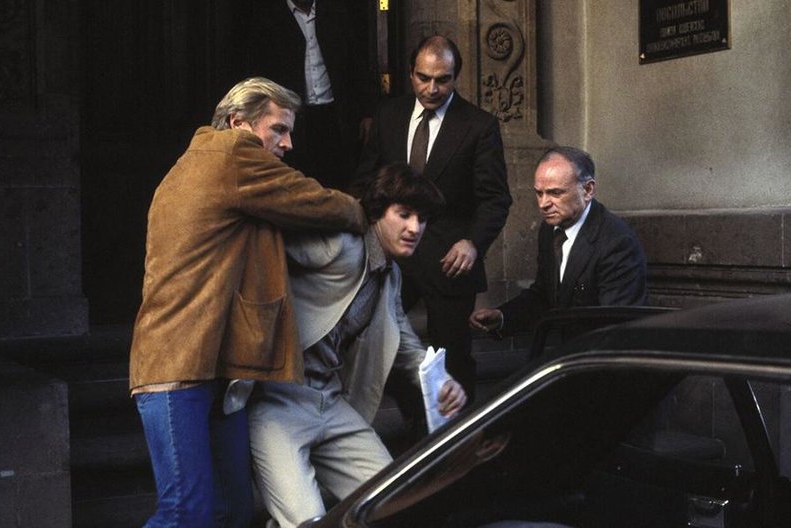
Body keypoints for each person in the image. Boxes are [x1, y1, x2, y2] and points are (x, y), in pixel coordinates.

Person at [128, 77, 367, 528]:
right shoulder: (231, 154)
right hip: (175, 364)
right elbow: (312, 201)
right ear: (238, 122)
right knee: (187, 512)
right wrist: (364, 211)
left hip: (218, 369)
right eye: (278, 129)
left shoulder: (208, 162)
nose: (288, 143)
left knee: (233, 512)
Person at [246, 163, 467, 528]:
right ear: (378, 212)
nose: (415, 228)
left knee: (393, 502)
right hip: (278, 402)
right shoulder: (341, 244)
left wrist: (441, 382)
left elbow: (405, 344)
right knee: (305, 522)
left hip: (330, 402)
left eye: (422, 219)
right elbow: (267, 243)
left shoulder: (391, 276)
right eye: (404, 214)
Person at [354, 35, 511, 407]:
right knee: (380, 345)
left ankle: (459, 435)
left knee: (453, 360)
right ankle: (415, 422)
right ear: (411, 73)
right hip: (392, 257)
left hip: (450, 261)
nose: (432, 88)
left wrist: (473, 243)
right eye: (424, 78)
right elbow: (365, 181)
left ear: (456, 76)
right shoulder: (388, 115)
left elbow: (496, 199)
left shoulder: (479, 126)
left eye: (443, 79)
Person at [469, 146, 648, 337]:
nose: (543, 204)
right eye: (539, 193)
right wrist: (503, 317)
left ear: (588, 190)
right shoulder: (550, 230)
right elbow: (544, 295)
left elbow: (616, 327)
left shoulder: (617, 243)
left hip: (595, 351)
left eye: (555, 193)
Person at [240, 0, 377, 190]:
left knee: (340, 180)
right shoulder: (268, 16)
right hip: (292, 118)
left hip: (335, 115)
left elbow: (358, 64)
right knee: (299, 182)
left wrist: (367, 112)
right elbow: (257, 75)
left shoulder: (336, 11)